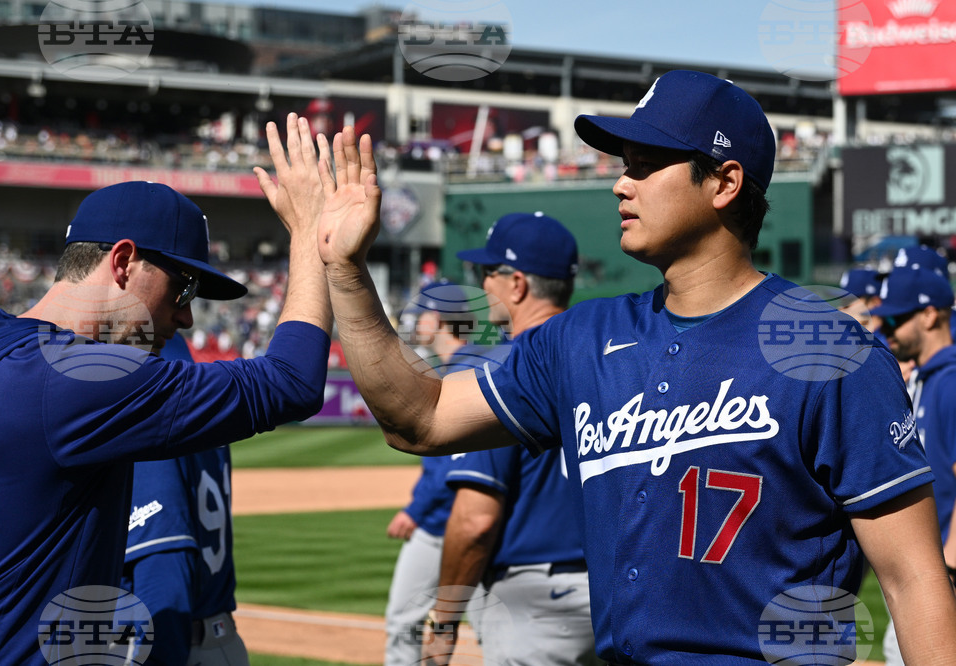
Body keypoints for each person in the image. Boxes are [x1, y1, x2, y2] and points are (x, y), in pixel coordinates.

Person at [306, 70, 956, 663]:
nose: (621, 182)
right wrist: (345, 270)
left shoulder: (831, 351)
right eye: (625, 164)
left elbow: (913, 577)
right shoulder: (580, 339)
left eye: (647, 165)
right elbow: (417, 420)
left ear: (726, 183)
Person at [0, 113, 332, 664]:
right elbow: (292, 383)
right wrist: (310, 233)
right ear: (124, 262)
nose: (185, 318)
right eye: (183, 288)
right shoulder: (75, 380)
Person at [421, 212, 598, 666]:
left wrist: (443, 620)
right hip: (615, 601)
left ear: (516, 283)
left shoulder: (505, 370)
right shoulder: (607, 365)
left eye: (487, 273)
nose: (481, 285)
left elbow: (474, 522)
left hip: (536, 606)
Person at [122, 334, 248, 666]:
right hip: (219, 642)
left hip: (176, 645)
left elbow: (164, 581)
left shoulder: (148, 433)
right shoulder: (199, 422)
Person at [384, 280, 485, 666]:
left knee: (405, 622)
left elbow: (449, 466)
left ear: (438, 319)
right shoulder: (473, 363)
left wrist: (415, 510)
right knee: (489, 630)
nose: (415, 322)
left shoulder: (465, 370)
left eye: (421, 313)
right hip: (469, 523)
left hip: (447, 524)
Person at [868, 266, 956, 666]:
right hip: (926, 568)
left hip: (943, 572)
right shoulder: (927, 376)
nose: (888, 328)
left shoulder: (951, 380)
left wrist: (951, 564)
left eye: (897, 319)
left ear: (930, 315)